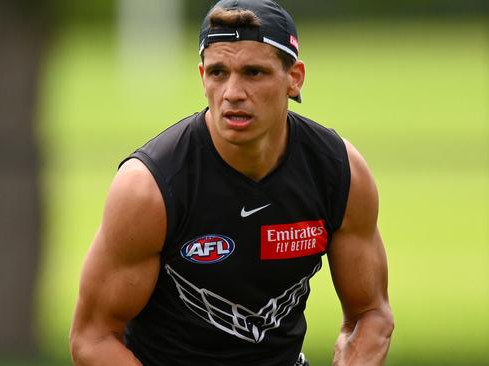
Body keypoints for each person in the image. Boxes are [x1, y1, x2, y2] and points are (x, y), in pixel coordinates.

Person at [69, 0, 394, 365]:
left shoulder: (338, 171)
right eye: (218, 72)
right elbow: (93, 338)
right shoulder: (149, 188)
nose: (233, 93)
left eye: (253, 73)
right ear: (201, 76)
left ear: (295, 77)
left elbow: (371, 314)